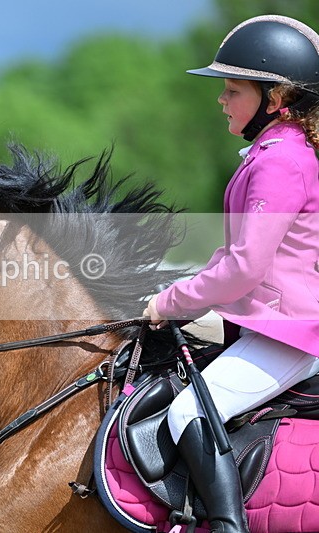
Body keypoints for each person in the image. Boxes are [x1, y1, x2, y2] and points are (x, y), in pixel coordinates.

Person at [143, 15, 319, 533]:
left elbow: (244, 268)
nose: (222, 99)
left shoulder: (280, 161)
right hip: (266, 324)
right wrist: (170, 285)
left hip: (286, 334)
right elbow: (233, 255)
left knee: (188, 413)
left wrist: (171, 304)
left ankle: (225, 525)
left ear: (276, 97)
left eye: (233, 89)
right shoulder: (272, 153)